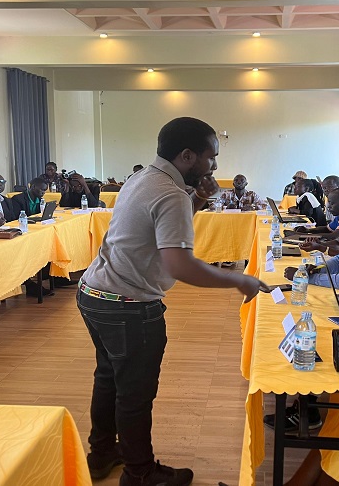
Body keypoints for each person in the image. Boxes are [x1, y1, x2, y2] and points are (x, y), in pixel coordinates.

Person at [77, 117, 268, 485]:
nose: (215, 167)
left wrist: (197, 199)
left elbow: (157, 231)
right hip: (128, 306)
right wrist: (238, 279)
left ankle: (102, 454)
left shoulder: (144, 178)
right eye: (211, 158)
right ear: (187, 156)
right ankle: (139, 473)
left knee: (109, 379)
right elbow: (179, 264)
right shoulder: (169, 193)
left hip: (95, 294)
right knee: (134, 394)